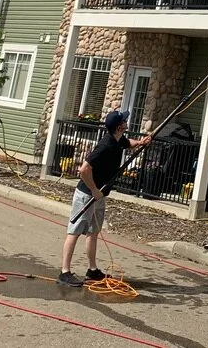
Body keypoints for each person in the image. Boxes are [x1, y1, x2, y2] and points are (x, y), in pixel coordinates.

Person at [58, 109, 151, 287]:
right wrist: (94, 190)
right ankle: (64, 272)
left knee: (93, 232)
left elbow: (128, 143)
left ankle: (92, 270)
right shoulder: (105, 145)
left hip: (100, 195)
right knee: (74, 231)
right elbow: (84, 169)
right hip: (87, 195)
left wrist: (141, 142)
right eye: (124, 121)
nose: (126, 121)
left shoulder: (118, 140)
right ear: (119, 127)